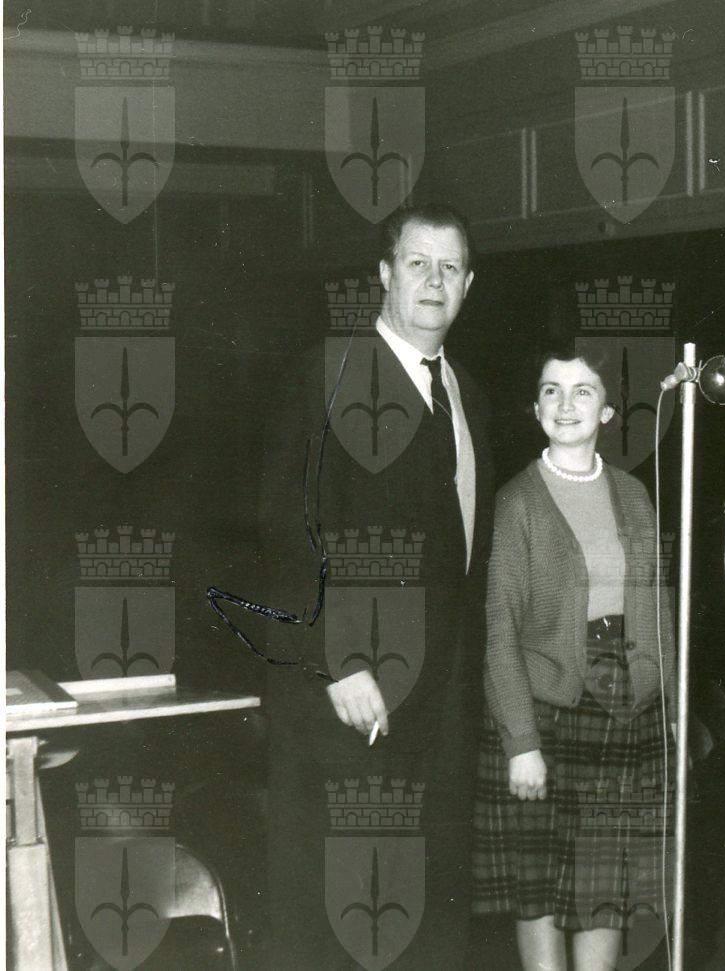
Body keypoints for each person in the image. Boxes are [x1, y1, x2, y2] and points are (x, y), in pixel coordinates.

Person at [257, 204, 495, 968]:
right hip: (350, 701)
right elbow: (284, 528)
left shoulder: (467, 393)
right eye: (418, 263)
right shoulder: (327, 373)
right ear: (385, 274)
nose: (435, 281)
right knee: (339, 911)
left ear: (468, 285)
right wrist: (338, 658)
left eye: (450, 267)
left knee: (427, 909)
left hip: (442, 708)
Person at [472, 349, 675, 971]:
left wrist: (667, 705)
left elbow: (657, 606)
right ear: (535, 408)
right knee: (536, 885)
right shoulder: (517, 500)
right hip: (545, 710)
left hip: (626, 710)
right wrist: (521, 742)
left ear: (607, 412)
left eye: (583, 391)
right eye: (551, 391)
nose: (565, 405)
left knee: (605, 886)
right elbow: (499, 627)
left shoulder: (634, 494)